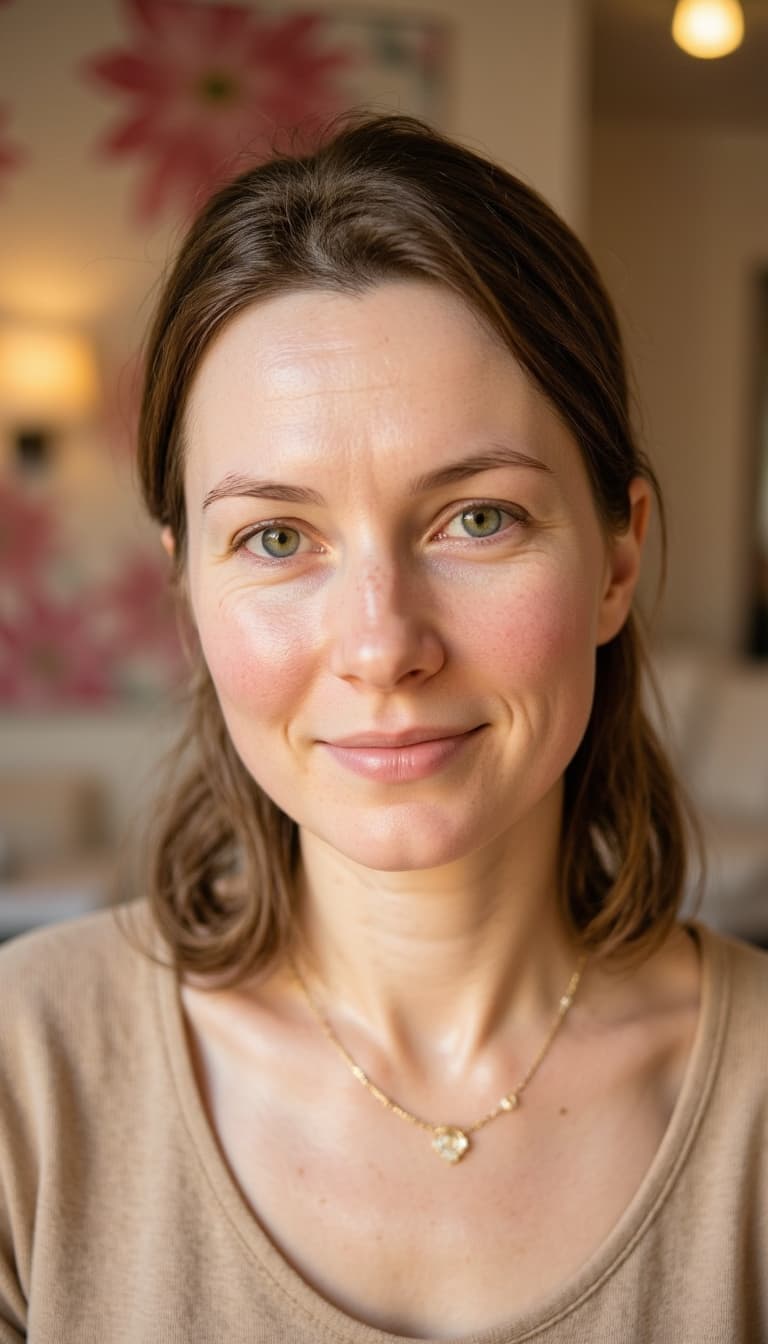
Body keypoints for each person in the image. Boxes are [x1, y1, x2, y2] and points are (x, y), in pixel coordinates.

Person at [0, 114, 766, 1344]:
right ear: (188, 588)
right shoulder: (27, 1073)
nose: (381, 643)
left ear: (618, 556)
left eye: (477, 520)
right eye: (275, 538)